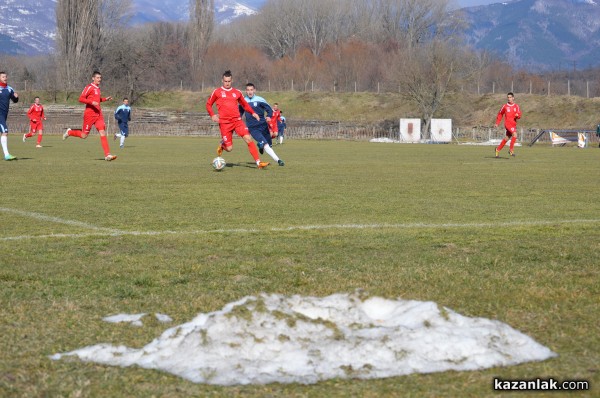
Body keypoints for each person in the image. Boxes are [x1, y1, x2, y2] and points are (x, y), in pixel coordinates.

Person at [206, 70, 269, 169]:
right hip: (225, 123)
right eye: (225, 81)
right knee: (229, 148)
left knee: (248, 138)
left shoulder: (237, 92)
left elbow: (245, 104)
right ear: (222, 81)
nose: (227, 83)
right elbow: (208, 104)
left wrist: (253, 113)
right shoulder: (217, 92)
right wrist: (212, 115)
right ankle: (223, 144)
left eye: (229, 81)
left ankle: (258, 163)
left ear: (232, 81)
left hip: (237, 121)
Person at [63, 71, 117, 161]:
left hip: (98, 114)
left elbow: (97, 100)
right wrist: (91, 102)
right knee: (84, 135)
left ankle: (107, 155)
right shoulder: (89, 87)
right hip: (89, 115)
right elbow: (81, 98)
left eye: (100, 78)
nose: (99, 79)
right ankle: (69, 132)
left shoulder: (98, 89)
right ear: (93, 78)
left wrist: (105, 99)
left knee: (102, 132)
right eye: (97, 77)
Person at [242, 83, 284, 166]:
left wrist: (268, 116)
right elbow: (239, 112)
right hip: (253, 128)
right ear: (246, 91)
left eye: (251, 90)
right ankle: (279, 160)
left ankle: (261, 146)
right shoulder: (243, 101)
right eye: (248, 90)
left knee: (269, 145)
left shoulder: (260, 99)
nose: (250, 92)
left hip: (263, 125)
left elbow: (269, 110)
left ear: (254, 90)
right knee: (265, 144)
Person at [494, 92, 521, 158]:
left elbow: (519, 115)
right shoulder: (505, 106)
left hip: (513, 124)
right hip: (508, 124)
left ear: (513, 98)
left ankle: (497, 150)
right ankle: (511, 150)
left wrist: (517, 116)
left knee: (507, 138)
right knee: (515, 134)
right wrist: (497, 123)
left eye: (510, 97)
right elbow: (500, 114)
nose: (509, 99)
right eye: (508, 97)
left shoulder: (516, 106)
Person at [0, 71, 19, 160]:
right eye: (3, 77)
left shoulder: (9, 88)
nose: (5, 78)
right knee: (5, 132)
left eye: (6, 76)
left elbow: (15, 100)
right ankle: (7, 155)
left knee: (3, 132)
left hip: (4, 114)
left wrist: (16, 97)